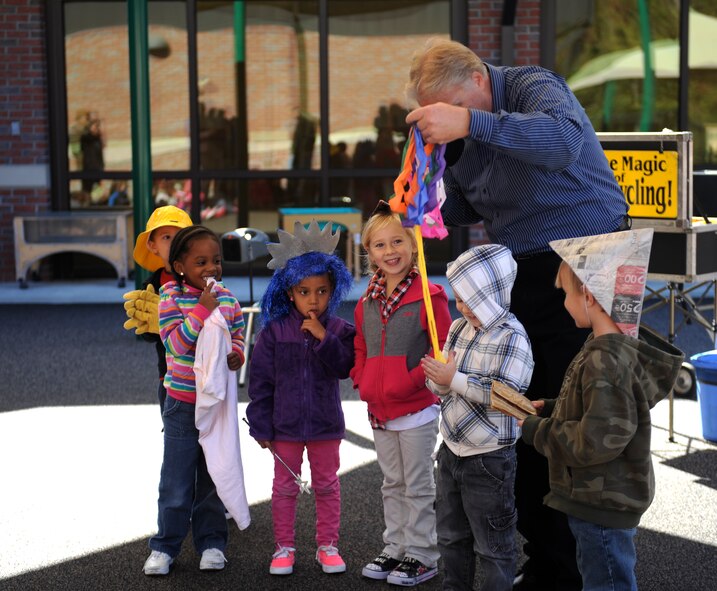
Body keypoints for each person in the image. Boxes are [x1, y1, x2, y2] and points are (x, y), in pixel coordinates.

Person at [404, 38, 630, 591]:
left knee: (590, 415)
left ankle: (595, 567)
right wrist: (429, 177)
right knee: (524, 412)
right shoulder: (464, 133)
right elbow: (460, 209)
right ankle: (549, 563)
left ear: (478, 81)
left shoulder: (533, 86)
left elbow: (561, 143)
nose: (451, 122)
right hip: (523, 268)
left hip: (595, 256)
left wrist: (467, 125)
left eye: (452, 108)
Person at [518, 229, 683, 591]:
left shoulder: (603, 361)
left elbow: (594, 440)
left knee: (606, 581)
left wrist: (535, 430)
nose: (562, 304)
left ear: (589, 296)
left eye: (565, 294)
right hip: (604, 497)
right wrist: (551, 408)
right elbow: (598, 412)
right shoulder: (609, 348)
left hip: (602, 501)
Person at [351, 201, 453, 587]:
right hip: (379, 409)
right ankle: (394, 547)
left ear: (413, 245)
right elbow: (361, 345)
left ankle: (422, 554)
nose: (389, 251)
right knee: (391, 483)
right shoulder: (366, 302)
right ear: (369, 251)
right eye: (380, 245)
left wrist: (412, 379)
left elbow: (442, 345)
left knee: (418, 484)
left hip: (415, 410)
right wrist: (360, 376)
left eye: (398, 241)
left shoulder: (429, 295)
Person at [246, 220, 356, 577]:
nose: (313, 299)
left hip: (325, 425)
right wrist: (261, 424)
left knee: (326, 485)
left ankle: (328, 546)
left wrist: (324, 337)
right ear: (289, 292)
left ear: (332, 291)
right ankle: (284, 548)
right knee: (284, 487)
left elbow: (346, 367)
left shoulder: (339, 329)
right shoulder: (274, 332)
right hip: (284, 427)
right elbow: (260, 382)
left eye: (322, 291)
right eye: (304, 291)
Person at [421, 244, 534, 591]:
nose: (463, 307)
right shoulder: (458, 329)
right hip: (451, 451)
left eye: (472, 299)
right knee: (451, 538)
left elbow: (508, 398)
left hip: (489, 459)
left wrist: (452, 379)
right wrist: (438, 381)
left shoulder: (513, 338)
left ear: (493, 293)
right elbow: (440, 385)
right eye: (459, 298)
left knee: (493, 547)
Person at [143, 225, 245, 576]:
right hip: (182, 403)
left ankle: (213, 543)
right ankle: (165, 546)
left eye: (215, 260)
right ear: (181, 266)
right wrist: (201, 310)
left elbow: (237, 337)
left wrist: (237, 355)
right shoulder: (171, 298)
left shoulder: (229, 299)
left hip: (215, 406)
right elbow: (175, 344)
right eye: (200, 261)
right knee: (176, 479)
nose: (211, 268)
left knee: (212, 475)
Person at [123, 205, 193, 412]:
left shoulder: (202, 277)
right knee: (176, 436)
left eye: (181, 236)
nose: (175, 243)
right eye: (166, 237)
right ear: (152, 246)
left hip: (205, 373)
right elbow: (147, 334)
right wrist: (152, 327)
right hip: (170, 375)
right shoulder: (152, 284)